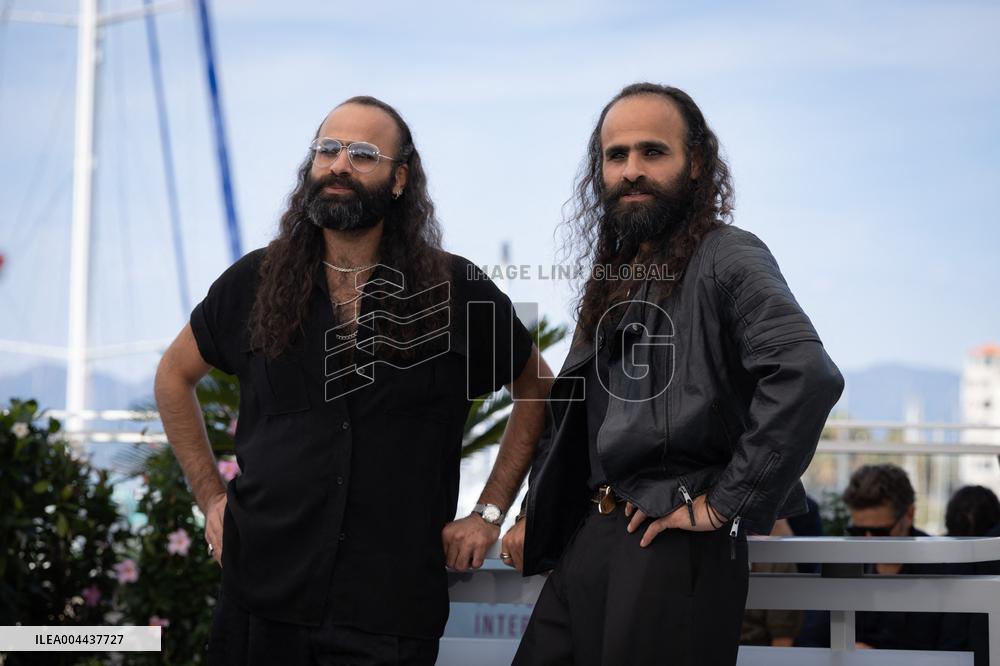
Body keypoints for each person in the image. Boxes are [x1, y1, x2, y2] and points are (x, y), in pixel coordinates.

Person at [154, 95, 553, 665]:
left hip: (388, 615)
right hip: (258, 605)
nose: (340, 164)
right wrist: (210, 497)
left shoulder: (457, 289)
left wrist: (489, 512)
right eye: (327, 149)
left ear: (399, 179)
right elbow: (173, 376)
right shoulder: (254, 281)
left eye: (363, 153)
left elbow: (539, 386)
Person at [503, 82, 845, 666]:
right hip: (593, 536)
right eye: (616, 156)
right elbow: (577, 415)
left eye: (652, 152)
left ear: (696, 165)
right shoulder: (615, 273)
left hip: (673, 543)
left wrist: (722, 504)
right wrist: (533, 508)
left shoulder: (727, 254)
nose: (631, 170)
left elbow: (806, 373)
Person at [841, 463, 947, 651]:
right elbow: (811, 639)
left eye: (879, 532)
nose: (868, 539)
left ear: (909, 514)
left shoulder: (943, 568)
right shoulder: (842, 563)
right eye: (857, 531)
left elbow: (956, 649)